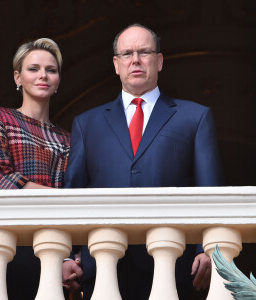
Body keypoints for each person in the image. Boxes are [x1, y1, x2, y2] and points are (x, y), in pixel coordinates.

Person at [63, 24, 224, 300]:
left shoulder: (194, 118)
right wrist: (65, 255)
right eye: (126, 53)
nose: (135, 59)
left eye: (144, 52)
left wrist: (207, 249)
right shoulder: (86, 124)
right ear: (116, 64)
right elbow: (72, 195)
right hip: (103, 267)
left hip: (173, 266)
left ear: (159, 61)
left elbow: (211, 192)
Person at [0, 38, 70, 299]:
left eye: (51, 70)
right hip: (12, 241)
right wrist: (60, 198)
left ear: (58, 80)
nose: (43, 75)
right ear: (18, 77)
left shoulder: (67, 138)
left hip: (55, 242)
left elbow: (75, 189)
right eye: (33, 68)